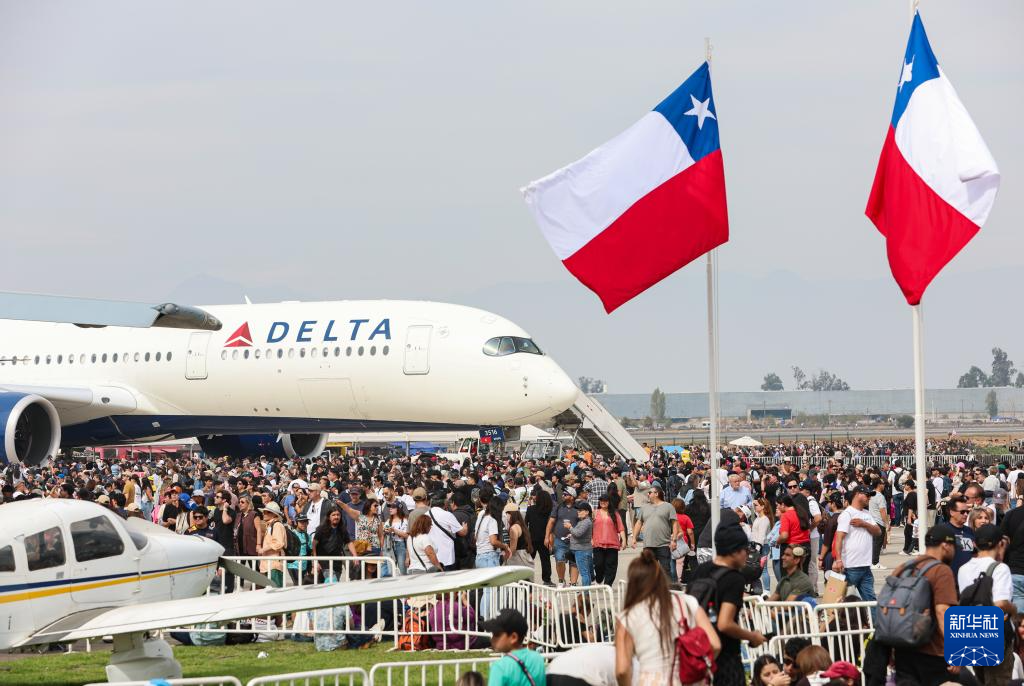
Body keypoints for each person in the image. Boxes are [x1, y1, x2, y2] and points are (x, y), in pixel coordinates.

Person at [614, 549, 720, 686]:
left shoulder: (627, 617)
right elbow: (715, 644)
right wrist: (700, 667)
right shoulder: (688, 602)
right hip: (687, 680)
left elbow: (622, 670)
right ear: (661, 579)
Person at [689, 521, 766, 685]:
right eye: (745, 550)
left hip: (697, 653)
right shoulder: (734, 578)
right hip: (725, 658)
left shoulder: (701, 570)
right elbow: (725, 623)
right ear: (735, 551)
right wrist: (752, 636)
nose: (747, 555)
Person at [890, 523, 962, 686]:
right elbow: (943, 612)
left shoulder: (903, 568)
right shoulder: (941, 570)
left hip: (903, 650)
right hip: (933, 652)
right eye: (953, 547)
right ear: (945, 546)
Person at [957, 523, 1014, 685]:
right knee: (999, 680)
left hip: (972, 632)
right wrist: (1013, 609)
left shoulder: (963, 569)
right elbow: (1001, 603)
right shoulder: (1000, 568)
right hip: (995, 633)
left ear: (975, 544)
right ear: (1000, 543)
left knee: (980, 679)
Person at [832, 486, 880, 602]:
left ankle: (872, 616)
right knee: (841, 599)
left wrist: (864, 524)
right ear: (858, 494)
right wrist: (838, 560)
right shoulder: (847, 514)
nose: (869, 498)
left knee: (871, 600)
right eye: (867, 495)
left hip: (865, 566)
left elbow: (878, 531)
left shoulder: (867, 514)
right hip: (850, 566)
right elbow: (839, 538)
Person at [482, 609, 545, 686]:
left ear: (513, 637)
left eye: (497, 634)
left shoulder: (499, 667)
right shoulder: (538, 659)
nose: (492, 639)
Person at [630, 486, 681, 578]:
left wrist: (674, 540)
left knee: (666, 571)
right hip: (648, 545)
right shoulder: (644, 507)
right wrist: (634, 538)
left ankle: (667, 587)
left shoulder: (668, 506)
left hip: (663, 545)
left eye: (650, 492)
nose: (648, 494)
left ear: (656, 494)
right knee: (648, 571)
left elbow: (674, 524)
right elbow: (639, 523)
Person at [546, 487, 580, 587]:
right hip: (559, 539)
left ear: (572, 496)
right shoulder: (558, 507)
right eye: (563, 494)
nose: (563, 496)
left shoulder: (579, 508)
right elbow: (551, 522)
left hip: (575, 540)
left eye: (566, 494)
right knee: (559, 560)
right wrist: (547, 536)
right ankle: (561, 581)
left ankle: (573, 583)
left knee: (574, 562)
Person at [312, 508, 357, 580]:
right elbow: (314, 545)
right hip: (324, 564)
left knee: (334, 585)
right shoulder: (321, 529)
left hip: (337, 565)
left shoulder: (342, 529)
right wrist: (315, 561)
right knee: (332, 581)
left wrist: (355, 556)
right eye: (333, 515)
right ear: (329, 517)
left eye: (338, 515)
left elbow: (349, 542)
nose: (336, 517)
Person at [945, 494, 977, 588]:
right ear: (952, 512)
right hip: (950, 582)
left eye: (967, 511)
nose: (966, 514)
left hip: (968, 583)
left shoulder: (970, 531)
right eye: (962, 512)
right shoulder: (943, 530)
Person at [593, 493, 625, 586]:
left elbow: (621, 528)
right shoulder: (594, 513)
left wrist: (624, 540)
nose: (603, 502)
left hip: (612, 544)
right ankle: (599, 577)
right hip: (598, 543)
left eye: (605, 501)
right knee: (598, 564)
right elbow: (590, 527)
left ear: (609, 502)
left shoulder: (615, 513)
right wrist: (590, 539)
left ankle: (608, 585)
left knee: (611, 566)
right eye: (601, 500)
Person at [527, 487, 554, 585]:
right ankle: (547, 580)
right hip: (544, 538)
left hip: (532, 538)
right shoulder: (549, 511)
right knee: (545, 560)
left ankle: (526, 578)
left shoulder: (530, 509)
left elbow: (526, 523)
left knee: (529, 559)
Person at [257, 501, 288, 588]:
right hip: (269, 565)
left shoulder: (277, 525)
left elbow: (279, 543)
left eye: (267, 512)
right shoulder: (270, 525)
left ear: (274, 514)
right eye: (264, 512)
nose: (264, 514)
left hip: (274, 565)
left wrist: (263, 549)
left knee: (276, 592)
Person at [570, 501, 594, 586]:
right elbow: (578, 533)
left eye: (580, 510)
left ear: (587, 512)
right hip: (582, 549)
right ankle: (587, 592)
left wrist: (570, 527)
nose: (578, 512)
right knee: (586, 572)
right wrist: (571, 534)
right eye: (578, 510)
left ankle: (585, 593)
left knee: (584, 573)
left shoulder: (586, 521)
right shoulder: (583, 521)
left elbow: (578, 533)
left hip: (582, 550)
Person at [504, 503, 534, 568]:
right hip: (526, 556)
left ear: (511, 514)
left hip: (517, 559)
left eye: (506, 514)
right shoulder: (521, 525)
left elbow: (513, 548)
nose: (506, 517)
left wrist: (505, 558)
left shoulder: (513, 528)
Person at [868, 479, 889, 570]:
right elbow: (882, 510)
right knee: (877, 543)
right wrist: (887, 523)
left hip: (872, 521)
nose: (884, 485)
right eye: (883, 484)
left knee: (873, 543)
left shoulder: (871, 494)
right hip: (879, 521)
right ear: (879, 485)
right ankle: (875, 562)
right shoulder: (880, 496)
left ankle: (872, 562)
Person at [385, 501, 410, 575]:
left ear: (399, 509)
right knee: (391, 571)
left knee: (402, 570)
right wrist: (385, 531)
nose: (390, 509)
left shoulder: (404, 521)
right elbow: (384, 530)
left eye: (393, 507)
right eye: (390, 507)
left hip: (401, 545)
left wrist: (394, 530)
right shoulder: (388, 521)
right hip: (390, 546)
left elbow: (407, 535)